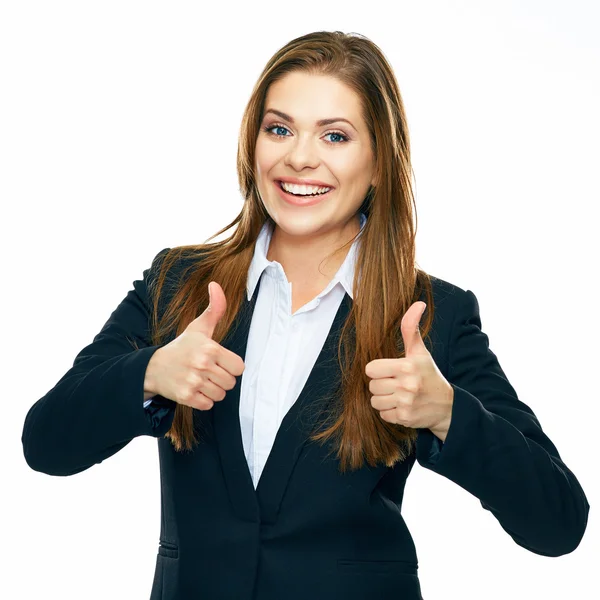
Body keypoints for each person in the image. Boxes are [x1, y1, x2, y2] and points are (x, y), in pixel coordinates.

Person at [22, 30, 590, 600]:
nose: (298, 157)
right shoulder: (179, 283)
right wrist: (148, 373)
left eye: (335, 136)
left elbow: (559, 521)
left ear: (379, 161)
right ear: (254, 143)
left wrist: (448, 415)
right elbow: (46, 444)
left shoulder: (432, 316)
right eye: (280, 129)